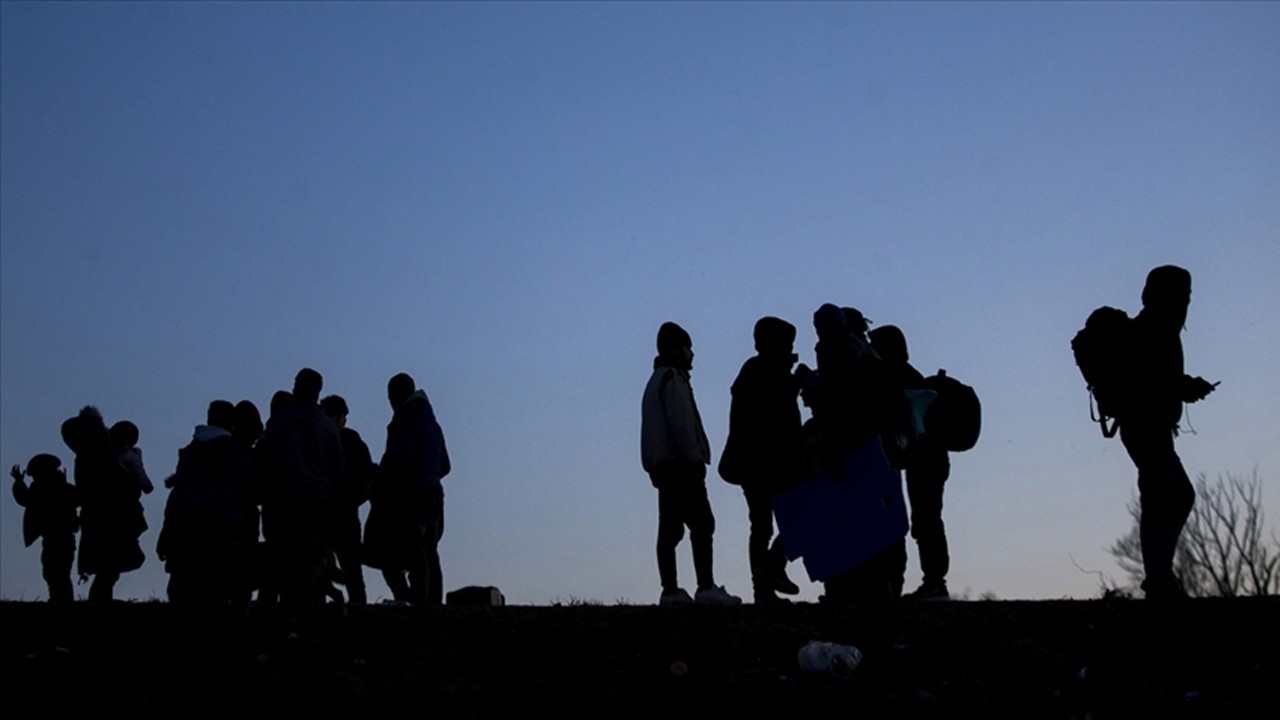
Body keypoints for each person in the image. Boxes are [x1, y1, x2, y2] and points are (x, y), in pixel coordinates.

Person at [1119, 265, 1216, 601]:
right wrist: (1187, 387)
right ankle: (1158, 579)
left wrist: (1184, 387)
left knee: (1177, 496)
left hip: (1153, 426)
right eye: (1182, 295)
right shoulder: (1151, 329)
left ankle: (1160, 574)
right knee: (1160, 497)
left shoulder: (1157, 328)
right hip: (1144, 426)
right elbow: (1151, 380)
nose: (1186, 302)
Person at [642, 322, 740, 606]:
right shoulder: (672, 379)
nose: (692, 354)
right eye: (688, 347)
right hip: (680, 465)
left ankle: (670, 590)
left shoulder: (656, 381)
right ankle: (705, 587)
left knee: (670, 529)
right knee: (702, 523)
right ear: (675, 348)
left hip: (664, 467)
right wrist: (695, 458)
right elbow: (682, 424)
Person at [719, 316, 804, 604]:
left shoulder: (757, 371)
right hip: (768, 464)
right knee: (794, 520)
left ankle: (765, 584)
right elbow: (775, 412)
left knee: (764, 525)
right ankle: (770, 572)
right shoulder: (763, 371)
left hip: (757, 464)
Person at [870, 324, 952, 600]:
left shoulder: (898, 378)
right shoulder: (909, 375)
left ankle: (935, 582)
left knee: (926, 520)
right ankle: (933, 581)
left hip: (924, 460)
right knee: (926, 519)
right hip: (930, 459)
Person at [255, 369, 345, 604]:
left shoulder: (278, 425)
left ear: (296, 389)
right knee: (312, 569)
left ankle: (274, 623)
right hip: (317, 507)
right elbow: (338, 470)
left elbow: (266, 463)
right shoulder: (328, 428)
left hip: (282, 505)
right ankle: (311, 621)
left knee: (278, 566)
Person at [157, 400, 256, 603]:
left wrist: (167, 537)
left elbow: (177, 500)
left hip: (189, 534)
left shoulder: (190, 454)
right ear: (233, 423)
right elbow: (239, 495)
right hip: (225, 535)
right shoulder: (236, 453)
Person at [367, 373, 451, 605]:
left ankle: (416, 606)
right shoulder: (433, 425)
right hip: (435, 495)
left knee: (414, 555)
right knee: (431, 554)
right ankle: (433, 605)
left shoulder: (402, 423)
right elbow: (445, 465)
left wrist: (382, 482)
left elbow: (400, 462)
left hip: (412, 497)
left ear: (394, 396)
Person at [60, 406, 147, 601]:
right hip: (108, 516)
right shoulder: (98, 453)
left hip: (109, 515)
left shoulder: (102, 455)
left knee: (108, 568)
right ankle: (100, 601)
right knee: (108, 566)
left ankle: (101, 600)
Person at [320, 394, 374, 605]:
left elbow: (366, 478)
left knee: (331, 570)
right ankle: (358, 615)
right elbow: (367, 477)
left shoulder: (325, 440)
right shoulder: (352, 441)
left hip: (331, 513)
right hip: (342, 514)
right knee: (349, 571)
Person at [10, 454, 79, 603]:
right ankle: (60, 600)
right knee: (55, 572)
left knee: (56, 572)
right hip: (57, 538)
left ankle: (61, 602)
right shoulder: (62, 488)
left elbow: (25, 499)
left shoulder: (48, 490)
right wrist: (19, 482)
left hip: (58, 538)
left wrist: (19, 482)